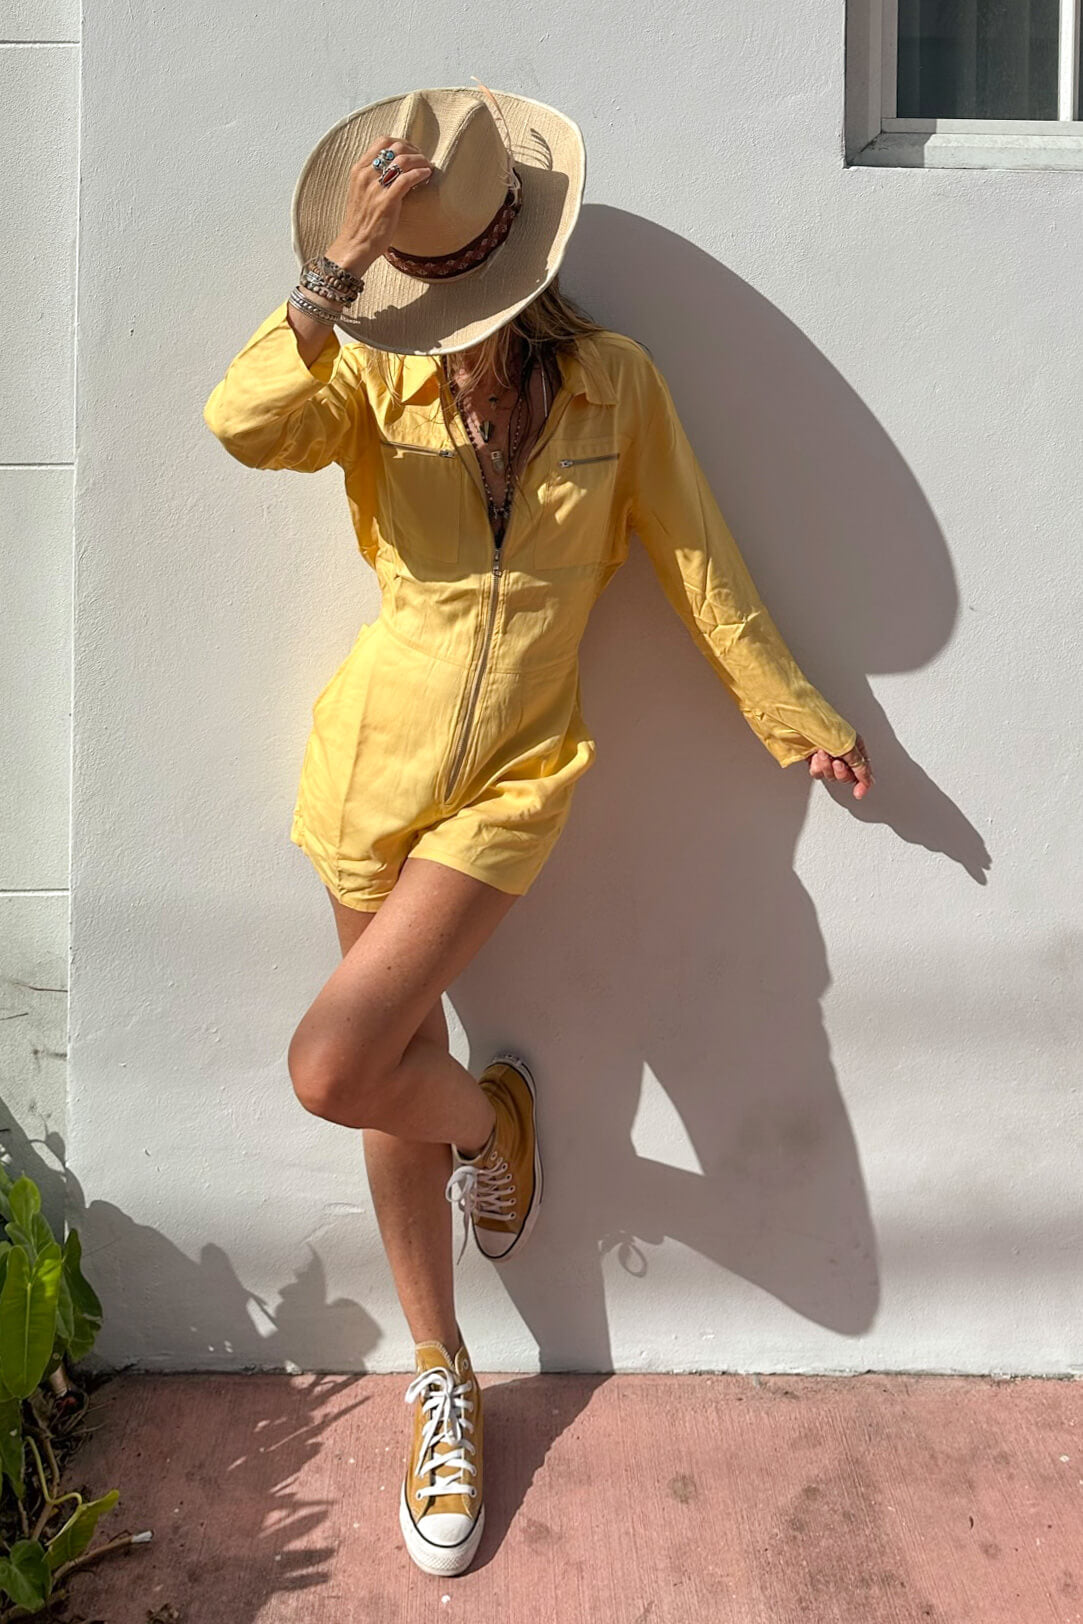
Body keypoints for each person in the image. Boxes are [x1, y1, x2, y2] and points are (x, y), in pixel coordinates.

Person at [202, 85, 874, 1578]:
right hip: (369, 776)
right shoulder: (368, 375)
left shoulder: (614, 388)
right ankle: (443, 1365)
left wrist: (797, 715)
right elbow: (240, 423)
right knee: (380, 1072)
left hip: (513, 782)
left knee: (332, 1066)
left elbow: (700, 565)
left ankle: (487, 1129)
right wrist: (335, 275)